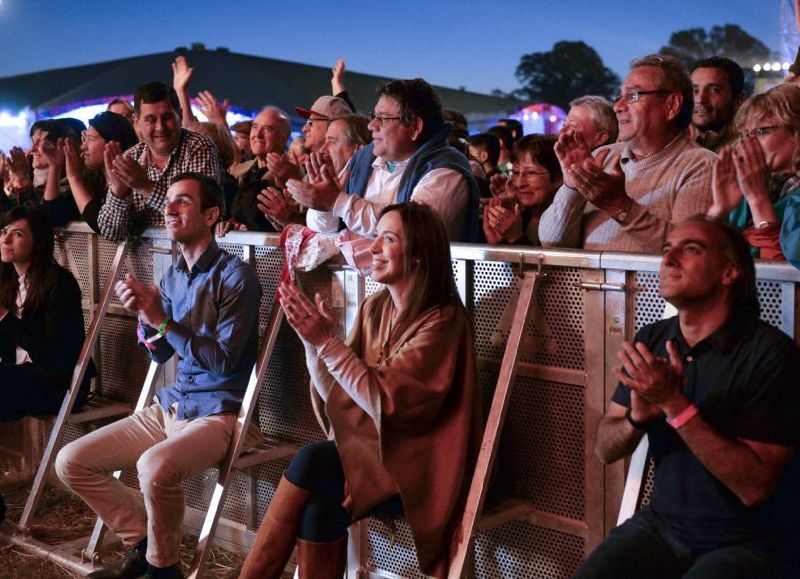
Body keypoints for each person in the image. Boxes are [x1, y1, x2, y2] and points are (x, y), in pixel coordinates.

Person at [239, 202, 483, 579]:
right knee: (319, 509)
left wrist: (327, 343)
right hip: (375, 455)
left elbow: (383, 401)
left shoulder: (443, 321)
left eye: (389, 239)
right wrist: (312, 342)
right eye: (376, 236)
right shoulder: (376, 307)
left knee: (313, 460)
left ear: (419, 255)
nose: (374, 248)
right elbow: (340, 393)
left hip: (423, 468)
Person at [56, 173, 261, 579]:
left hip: (220, 414)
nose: (168, 209)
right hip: (172, 404)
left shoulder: (236, 276)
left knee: (153, 466)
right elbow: (162, 352)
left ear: (212, 214)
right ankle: (146, 543)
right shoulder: (171, 276)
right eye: (168, 201)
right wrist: (145, 321)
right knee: (70, 461)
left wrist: (160, 319)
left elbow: (221, 362)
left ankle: (162, 570)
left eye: (183, 201)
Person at [576, 217, 800, 578]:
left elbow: (754, 487)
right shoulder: (652, 339)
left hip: (752, 541)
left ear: (729, 273)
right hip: (664, 527)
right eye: (667, 249)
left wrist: (673, 404)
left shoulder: (771, 355)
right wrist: (637, 420)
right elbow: (604, 449)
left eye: (690, 249)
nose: (669, 258)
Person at [539, 54, 715, 252]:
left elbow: (687, 253)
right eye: (619, 97)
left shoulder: (701, 165)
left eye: (632, 96)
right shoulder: (603, 156)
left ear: (671, 105)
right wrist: (572, 187)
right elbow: (551, 243)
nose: (618, 107)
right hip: (584, 283)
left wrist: (620, 206)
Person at [286, 78, 481, 242]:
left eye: (383, 118)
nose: (371, 125)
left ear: (415, 127)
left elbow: (410, 230)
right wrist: (323, 206)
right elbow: (326, 230)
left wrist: (338, 202)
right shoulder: (363, 159)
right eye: (373, 116)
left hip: (421, 287)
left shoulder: (446, 169)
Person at [0, 206, 91, 521]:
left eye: (17, 233)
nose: (6, 239)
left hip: (59, 382)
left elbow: (55, 356)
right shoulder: (8, 280)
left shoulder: (59, 283)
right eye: (3, 232)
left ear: (38, 242)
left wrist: (5, 318)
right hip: (21, 378)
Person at [97, 81, 222, 241]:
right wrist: (119, 194)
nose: (160, 127)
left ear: (180, 115)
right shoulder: (130, 158)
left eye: (167, 117)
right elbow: (111, 234)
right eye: (151, 119)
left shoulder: (198, 147)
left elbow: (199, 215)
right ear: (137, 122)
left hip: (189, 263)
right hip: (142, 265)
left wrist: (144, 185)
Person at [707, 85, 800, 263]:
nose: (749, 144)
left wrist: (759, 200)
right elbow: (698, 257)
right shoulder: (744, 188)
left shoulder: (756, 190)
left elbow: (787, 278)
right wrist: (718, 209)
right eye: (746, 134)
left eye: (763, 131)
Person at [57, 111, 138, 232]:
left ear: (112, 143)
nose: (83, 147)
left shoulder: (132, 183)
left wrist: (74, 177)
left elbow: (102, 225)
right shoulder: (93, 181)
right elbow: (56, 215)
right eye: (85, 140)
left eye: (91, 139)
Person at [483, 135, 562, 246]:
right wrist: (499, 242)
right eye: (515, 173)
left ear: (559, 178)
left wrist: (516, 238)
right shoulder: (521, 219)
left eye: (531, 173)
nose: (519, 183)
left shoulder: (567, 224)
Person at [307, 114, 371, 233]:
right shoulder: (330, 176)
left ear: (358, 148)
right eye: (325, 140)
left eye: (332, 141)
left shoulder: (368, 182)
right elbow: (320, 228)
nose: (322, 149)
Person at [689, 57, 745, 153]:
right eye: (694, 91)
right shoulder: (669, 141)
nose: (700, 99)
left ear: (739, 100)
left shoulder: (747, 149)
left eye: (714, 90)